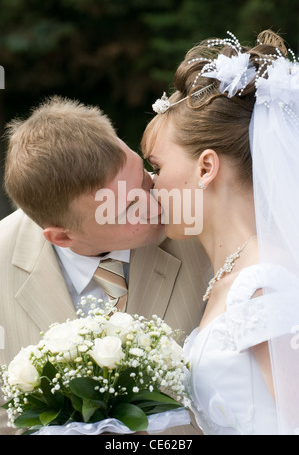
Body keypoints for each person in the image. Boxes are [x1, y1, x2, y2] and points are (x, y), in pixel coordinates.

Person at [0, 96, 212, 435]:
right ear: (63, 237)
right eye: (128, 208)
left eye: (144, 177)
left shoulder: (202, 230)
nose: (155, 203)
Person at [142, 30, 299, 435]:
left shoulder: (265, 283)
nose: (149, 184)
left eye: (157, 167)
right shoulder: (230, 277)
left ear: (206, 167)